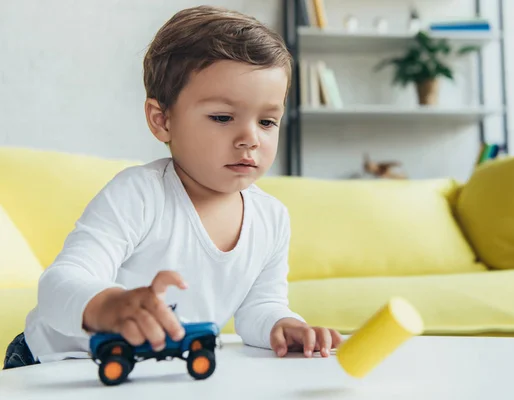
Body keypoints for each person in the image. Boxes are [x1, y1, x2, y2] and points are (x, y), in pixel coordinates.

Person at [3, 5, 343, 370]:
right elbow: (60, 284)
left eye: (267, 121)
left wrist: (282, 324)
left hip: (151, 369)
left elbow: (259, 307)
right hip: (56, 362)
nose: (250, 139)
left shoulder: (271, 218)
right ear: (162, 120)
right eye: (222, 117)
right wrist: (109, 306)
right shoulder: (139, 195)